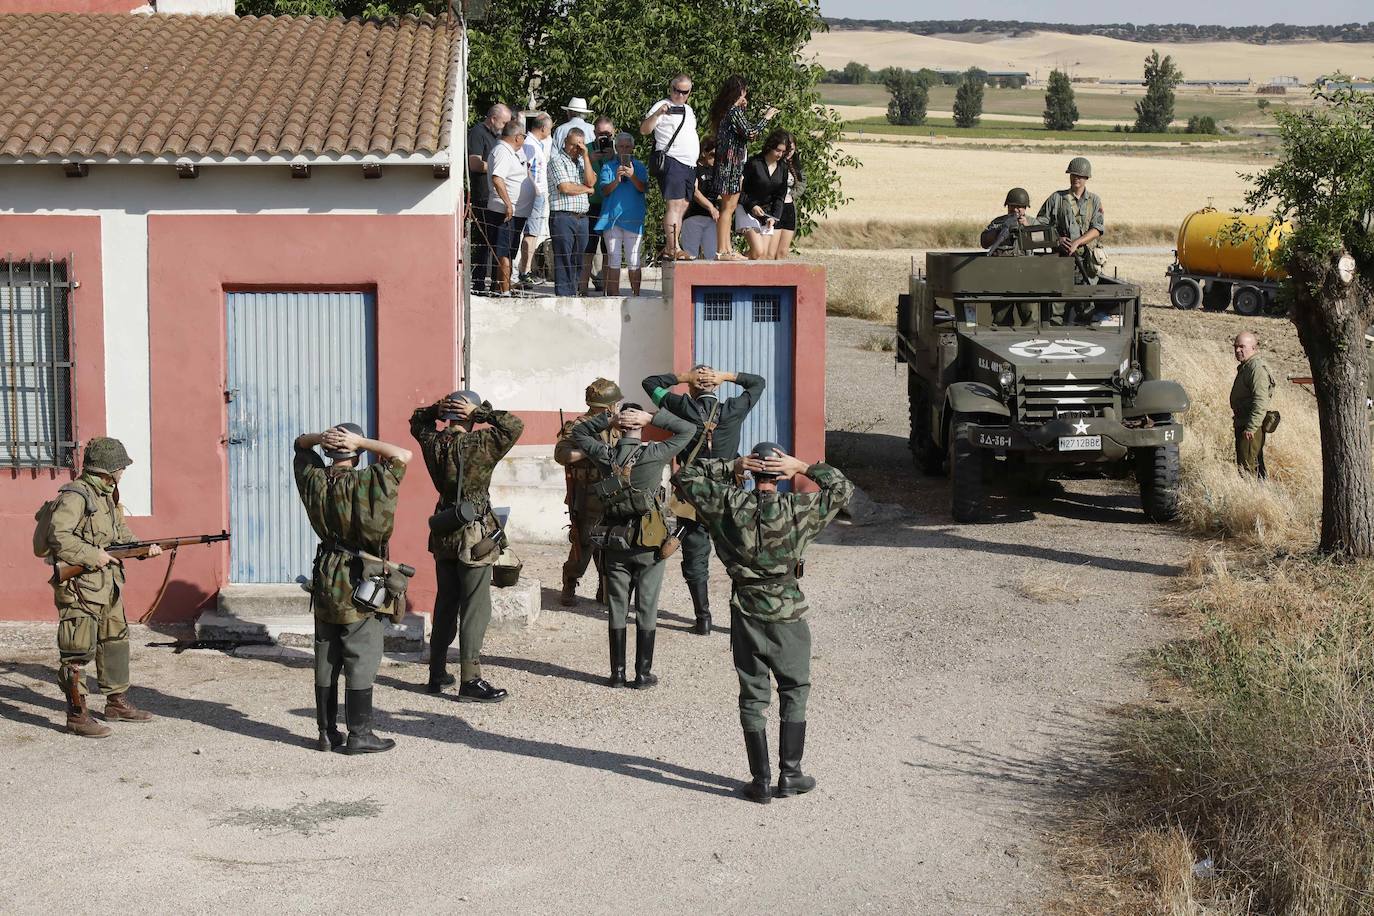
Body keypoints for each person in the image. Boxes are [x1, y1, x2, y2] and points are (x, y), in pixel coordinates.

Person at [672, 443, 853, 804]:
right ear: (779, 473)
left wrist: (732, 466)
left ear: (753, 472)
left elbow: (685, 477)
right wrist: (802, 466)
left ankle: (761, 780)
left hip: (747, 611)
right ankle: (790, 774)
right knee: (794, 690)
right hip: (787, 612)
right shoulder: (798, 508)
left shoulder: (728, 504)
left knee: (753, 697)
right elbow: (843, 490)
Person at [293, 423, 413, 754]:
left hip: (326, 572)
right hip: (363, 575)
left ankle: (326, 732)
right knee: (361, 653)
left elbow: (300, 447)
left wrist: (320, 438)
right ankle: (360, 734)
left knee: (327, 654)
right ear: (358, 454)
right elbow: (403, 455)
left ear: (328, 451)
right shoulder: (370, 480)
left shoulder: (314, 480)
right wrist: (360, 441)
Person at [570, 403, 694, 688]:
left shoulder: (605, 454)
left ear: (620, 426)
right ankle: (642, 674)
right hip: (649, 543)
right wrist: (653, 417)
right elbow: (688, 430)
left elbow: (579, 432)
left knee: (616, 605)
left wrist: (609, 418)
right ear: (639, 424)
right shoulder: (654, 453)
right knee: (647, 607)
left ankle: (616, 674)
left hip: (614, 540)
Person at [410, 391, 524, 701]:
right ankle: (470, 680)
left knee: (446, 602)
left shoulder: (433, 442)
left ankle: (436, 673)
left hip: (444, 527)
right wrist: (482, 411)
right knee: (475, 607)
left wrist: (437, 408)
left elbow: (417, 420)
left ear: (448, 415)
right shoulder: (482, 443)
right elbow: (514, 426)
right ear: (471, 416)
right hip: (473, 533)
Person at [44, 437, 161, 738]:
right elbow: (59, 536)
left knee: (115, 639)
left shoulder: (105, 496)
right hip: (80, 587)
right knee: (77, 650)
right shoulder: (75, 496)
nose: (123, 472)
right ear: (110, 469)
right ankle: (77, 715)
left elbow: (118, 534)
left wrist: (142, 548)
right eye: (121, 467)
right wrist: (92, 555)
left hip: (107, 584)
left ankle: (116, 702)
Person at [642, 364, 766, 636]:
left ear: (691, 387)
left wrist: (685, 377)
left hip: (693, 496)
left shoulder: (681, 406)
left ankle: (703, 619)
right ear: (716, 386)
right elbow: (757, 383)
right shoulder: (734, 409)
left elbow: (650, 382)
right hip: (728, 496)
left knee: (695, 555)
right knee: (739, 556)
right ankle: (742, 620)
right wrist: (727, 376)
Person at [554, 378, 624, 606]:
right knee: (584, 543)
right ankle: (570, 581)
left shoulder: (616, 425)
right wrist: (591, 451)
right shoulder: (577, 426)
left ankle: (604, 588)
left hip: (612, 493)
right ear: (608, 406)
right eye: (615, 404)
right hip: (587, 495)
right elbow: (562, 455)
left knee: (610, 542)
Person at [708, 75, 777, 262]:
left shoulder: (727, 112)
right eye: (744, 91)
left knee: (728, 208)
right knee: (727, 209)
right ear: (739, 91)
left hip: (729, 166)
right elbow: (751, 133)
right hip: (731, 167)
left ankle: (727, 248)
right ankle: (722, 250)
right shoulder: (733, 112)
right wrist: (766, 118)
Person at [640, 73, 701, 260]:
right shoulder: (661, 105)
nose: (680, 95)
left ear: (690, 92)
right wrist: (659, 114)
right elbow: (644, 130)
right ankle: (674, 247)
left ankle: (670, 246)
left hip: (689, 164)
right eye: (677, 91)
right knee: (674, 205)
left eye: (685, 92)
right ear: (671, 89)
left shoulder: (689, 110)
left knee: (683, 205)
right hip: (672, 160)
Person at [594, 132, 649, 296]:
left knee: (634, 260)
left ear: (632, 147)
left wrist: (632, 176)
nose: (624, 150)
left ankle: (637, 296)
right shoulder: (608, 166)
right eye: (621, 146)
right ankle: (613, 296)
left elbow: (643, 188)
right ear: (616, 148)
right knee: (614, 259)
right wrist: (617, 180)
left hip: (633, 219)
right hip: (612, 220)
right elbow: (604, 190)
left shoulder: (639, 166)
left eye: (627, 146)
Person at [1037, 157, 1105, 285]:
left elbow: (1097, 229)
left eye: (1080, 176)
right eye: (1073, 175)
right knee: (1059, 302)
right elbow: (1040, 225)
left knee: (1087, 301)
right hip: (1062, 260)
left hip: (1087, 261)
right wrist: (1057, 239)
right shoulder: (1057, 198)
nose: (1076, 178)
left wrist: (1077, 242)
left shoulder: (1094, 200)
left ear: (1086, 178)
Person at [467, 103, 512, 293]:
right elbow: (474, 164)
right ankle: (478, 284)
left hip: (496, 196)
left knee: (497, 243)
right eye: (503, 122)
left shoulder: (498, 136)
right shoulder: (478, 133)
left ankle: (496, 283)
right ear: (493, 119)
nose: (505, 127)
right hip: (484, 196)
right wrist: (497, 167)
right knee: (485, 243)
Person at [548, 128, 597, 297]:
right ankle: (563, 296)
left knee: (578, 259)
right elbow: (565, 187)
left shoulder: (584, 162)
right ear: (565, 143)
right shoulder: (557, 160)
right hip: (563, 216)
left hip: (582, 218)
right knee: (563, 258)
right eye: (573, 145)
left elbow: (591, 182)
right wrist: (587, 190)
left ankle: (572, 292)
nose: (575, 149)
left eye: (579, 146)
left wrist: (586, 156)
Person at [487, 121, 534, 295]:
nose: (523, 140)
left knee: (509, 251)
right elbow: (497, 179)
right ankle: (504, 290)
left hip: (515, 212)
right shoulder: (502, 152)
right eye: (523, 136)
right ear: (517, 137)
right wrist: (508, 204)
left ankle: (504, 286)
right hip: (505, 212)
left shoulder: (510, 152)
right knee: (504, 252)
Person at [736, 129, 792, 261]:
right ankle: (736, 261)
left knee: (762, 256)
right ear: (770, 146)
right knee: (758, 250)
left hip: (767, 214)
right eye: (778, 150)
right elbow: (740, 189)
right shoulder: (754, 163)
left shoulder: (783, 167)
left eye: (783, 152)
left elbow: (780, 195)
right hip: (746, 208)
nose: (780, 154)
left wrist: (774, 217)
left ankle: (740, 261)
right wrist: (752, 205)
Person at [1231, 331, 1275, 478]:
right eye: (1236, 346)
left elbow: (1260, 401)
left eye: (1242, 346)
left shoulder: (1256, 368)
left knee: (1248, 468)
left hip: (1250, 426)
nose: (1238, 350)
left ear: (1254, 348)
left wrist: (1251, 426)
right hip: (1245, 423)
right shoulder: (1247, 366)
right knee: (1252, 465)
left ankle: (1253, 496)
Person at [581, 117, 617, 295]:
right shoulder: (585, 150)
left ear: (614, 133)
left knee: (609, 249)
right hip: (591, 205)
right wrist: (587, 159)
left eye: (607, 134)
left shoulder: (620, 151)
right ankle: (582, 288)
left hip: (611, 206)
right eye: (600, 133)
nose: (603, 137)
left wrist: (614, 159)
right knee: (588, 247)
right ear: (594, 133)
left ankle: (609, 289)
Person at [518, 113, 554, 289]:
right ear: (543, 128)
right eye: (550, 128)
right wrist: (536, 191)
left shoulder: (534, 144)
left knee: (534, 234)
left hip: (538, 193)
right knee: (531, 234)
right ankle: (525, 271)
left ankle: (525, 270)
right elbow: (526, 170)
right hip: (535, 194)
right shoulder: (530, 145)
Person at [680, 136, 721, 261]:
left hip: (712, 219)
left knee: (712, 254)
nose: (716, 159)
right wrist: (711, 207)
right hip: (693, 215)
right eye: (713, 155)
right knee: (690, 254)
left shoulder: (717, 171)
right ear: (704, 152)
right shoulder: (694, 168)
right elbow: (694, 192)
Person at [770, 138, 805, 260]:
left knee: (783, 252)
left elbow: (802, 184)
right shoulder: (774, 163)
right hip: (775, 208)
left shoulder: (796, 166)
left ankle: (778, 278)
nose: (790, 152)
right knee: (770, 252)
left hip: (789, 208)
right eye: (788, 149)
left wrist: (792, 195)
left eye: (793, 149)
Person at [980, 187, 1041, 251]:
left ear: (1025, 207)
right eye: (1012, 206)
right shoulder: (998, 222)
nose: (1015, 209)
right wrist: (998, 231)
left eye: (1018, 207)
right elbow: (984, 243)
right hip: (1001, 259)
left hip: (1024, 259)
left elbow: (1042, 240)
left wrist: (1027, 228)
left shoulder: (1032, 222)